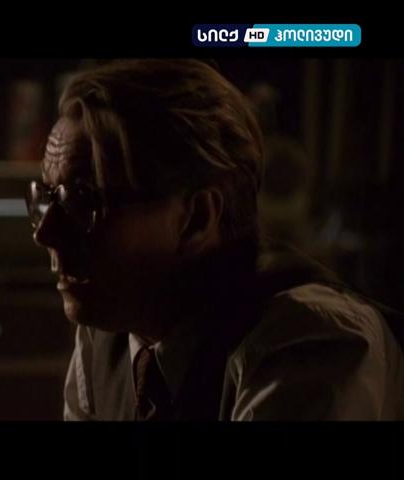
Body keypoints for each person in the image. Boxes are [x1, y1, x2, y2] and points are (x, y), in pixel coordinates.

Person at [25, 59, 404, 420]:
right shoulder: (108, 332)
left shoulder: (309, 342)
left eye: (83, 200)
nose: (45, 233)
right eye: (46, 197)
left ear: (197, 219)